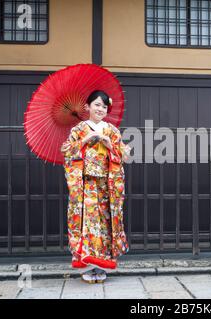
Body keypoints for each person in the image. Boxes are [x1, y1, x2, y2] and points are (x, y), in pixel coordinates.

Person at [61, 90, 130, 284]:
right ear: (87, 107)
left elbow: (124, 155)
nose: (100, 109)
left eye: (104, 106)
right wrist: (84, 141)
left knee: (106, 223)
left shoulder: (112, 130)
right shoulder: (79, 129)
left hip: (106, 184)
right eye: (97, 105)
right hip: (86, 183)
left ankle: (102, 265)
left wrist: (109, 145)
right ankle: (87, 265)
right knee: (88, 221)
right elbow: (66, 151)